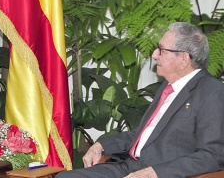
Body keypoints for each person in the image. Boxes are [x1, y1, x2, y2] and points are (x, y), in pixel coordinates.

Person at [58, 22, 224, 178]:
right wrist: (100, 146)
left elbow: (213, 155)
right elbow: (142, 134)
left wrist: (155, 172)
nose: (154, 55)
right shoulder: (169, 86)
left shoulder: (212, 91)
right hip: (127, 167)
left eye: (162, 50)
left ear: (184, 59)